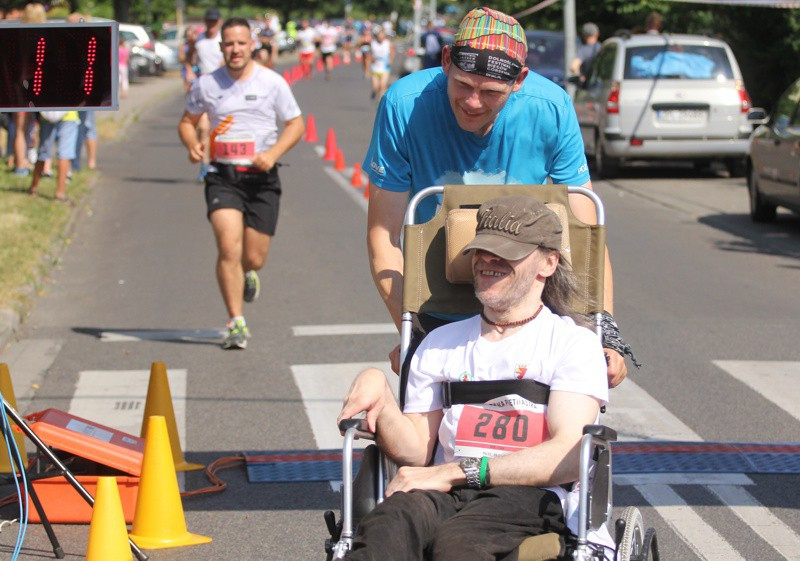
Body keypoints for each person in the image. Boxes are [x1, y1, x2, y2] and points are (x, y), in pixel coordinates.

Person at [363, 7, 634, 388]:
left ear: (519, 80)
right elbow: (384, 235)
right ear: (445, 62)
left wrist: (602, 330)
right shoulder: (404, 105)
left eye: (490, 93)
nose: (473, 102)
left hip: (531, 293)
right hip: (438, 293)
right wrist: (414, 331)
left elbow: (588, 232)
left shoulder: (551, 108)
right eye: (462, 85)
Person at [339, 196, 610, 560]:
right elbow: (418, 449)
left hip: (530, 495)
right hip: (442, 491)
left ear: (548, 262)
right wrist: (381, 394)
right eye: (482, 250)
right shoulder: (439, 344)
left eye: (506, 252)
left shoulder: (571, 344)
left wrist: (460, 471)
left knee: (459, 544)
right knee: (387, 525)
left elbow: (565, 456)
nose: (487, 260)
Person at [178, 17, 305, 350]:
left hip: (262, 178)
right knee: (228, 247)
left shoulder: (272, 83)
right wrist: (191, 143)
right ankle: (236, 322)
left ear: (252, 45)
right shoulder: (206, 84)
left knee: (254, 257)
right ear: (221, 48)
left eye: (240, 43)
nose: (234, 49)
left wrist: (274, 152)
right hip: (223, 177)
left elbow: (295, 124)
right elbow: (187, 122)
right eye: (228, 43)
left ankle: (249, 273)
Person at [29, 111, 80, 203]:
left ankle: (33, 188)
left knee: (44, 152)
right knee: (63, 154)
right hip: (68, 114)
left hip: (49, 113)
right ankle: (60, 194)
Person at [369, 27, 394, 99]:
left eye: (382, 35)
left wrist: (391, 60)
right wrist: (371, 59)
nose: (380, 37)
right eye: (379, 35)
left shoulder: (387, 43)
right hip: (375, 66)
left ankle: (380, 101)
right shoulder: (373, 43)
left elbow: (392, 52)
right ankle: (374, 91)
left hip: (385, 66)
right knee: (376, 87)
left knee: (383, 86)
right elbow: (369, 54)